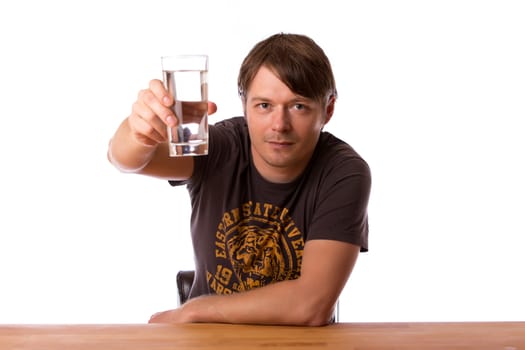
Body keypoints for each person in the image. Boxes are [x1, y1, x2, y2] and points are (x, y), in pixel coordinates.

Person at [107, 33, 371, 326]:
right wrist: (137, 132)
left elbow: (310, 306)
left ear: (328, 109)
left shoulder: (343, 172)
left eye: (298, 106)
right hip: (208, 342)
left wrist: (194, 310)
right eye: (264, 106)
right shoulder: (220, 147)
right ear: (244, 105)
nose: (280, 125)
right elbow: (126, 159)